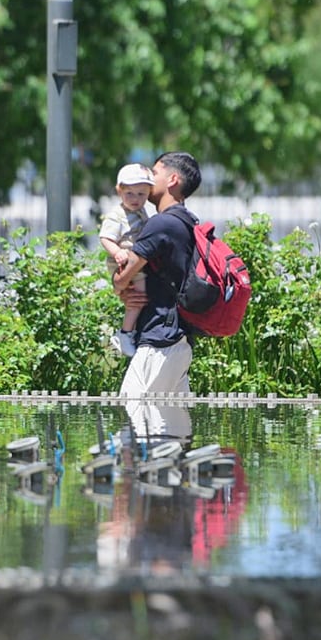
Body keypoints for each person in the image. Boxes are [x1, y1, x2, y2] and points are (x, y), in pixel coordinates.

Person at [112, 151, 202, 435]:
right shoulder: (188, 221)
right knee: (171, 433)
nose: (149, 178)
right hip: (179, 340)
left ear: (173, 179)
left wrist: (119, 284)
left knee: (134, 413)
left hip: (160, 342)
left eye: (155, 172)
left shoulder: (160, 223)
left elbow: (123, 277)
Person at [98, 163, 155, 356]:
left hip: (136, 261)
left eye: (142, 194)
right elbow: (105, 237)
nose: (136, 199)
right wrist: (116, 252)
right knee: (137, 298)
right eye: (129, 193)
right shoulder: (117, 215)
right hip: (124, 262)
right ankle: (125, 333)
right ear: (119, 191)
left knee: (140, 297)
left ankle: (131, 330)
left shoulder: (140, 212)